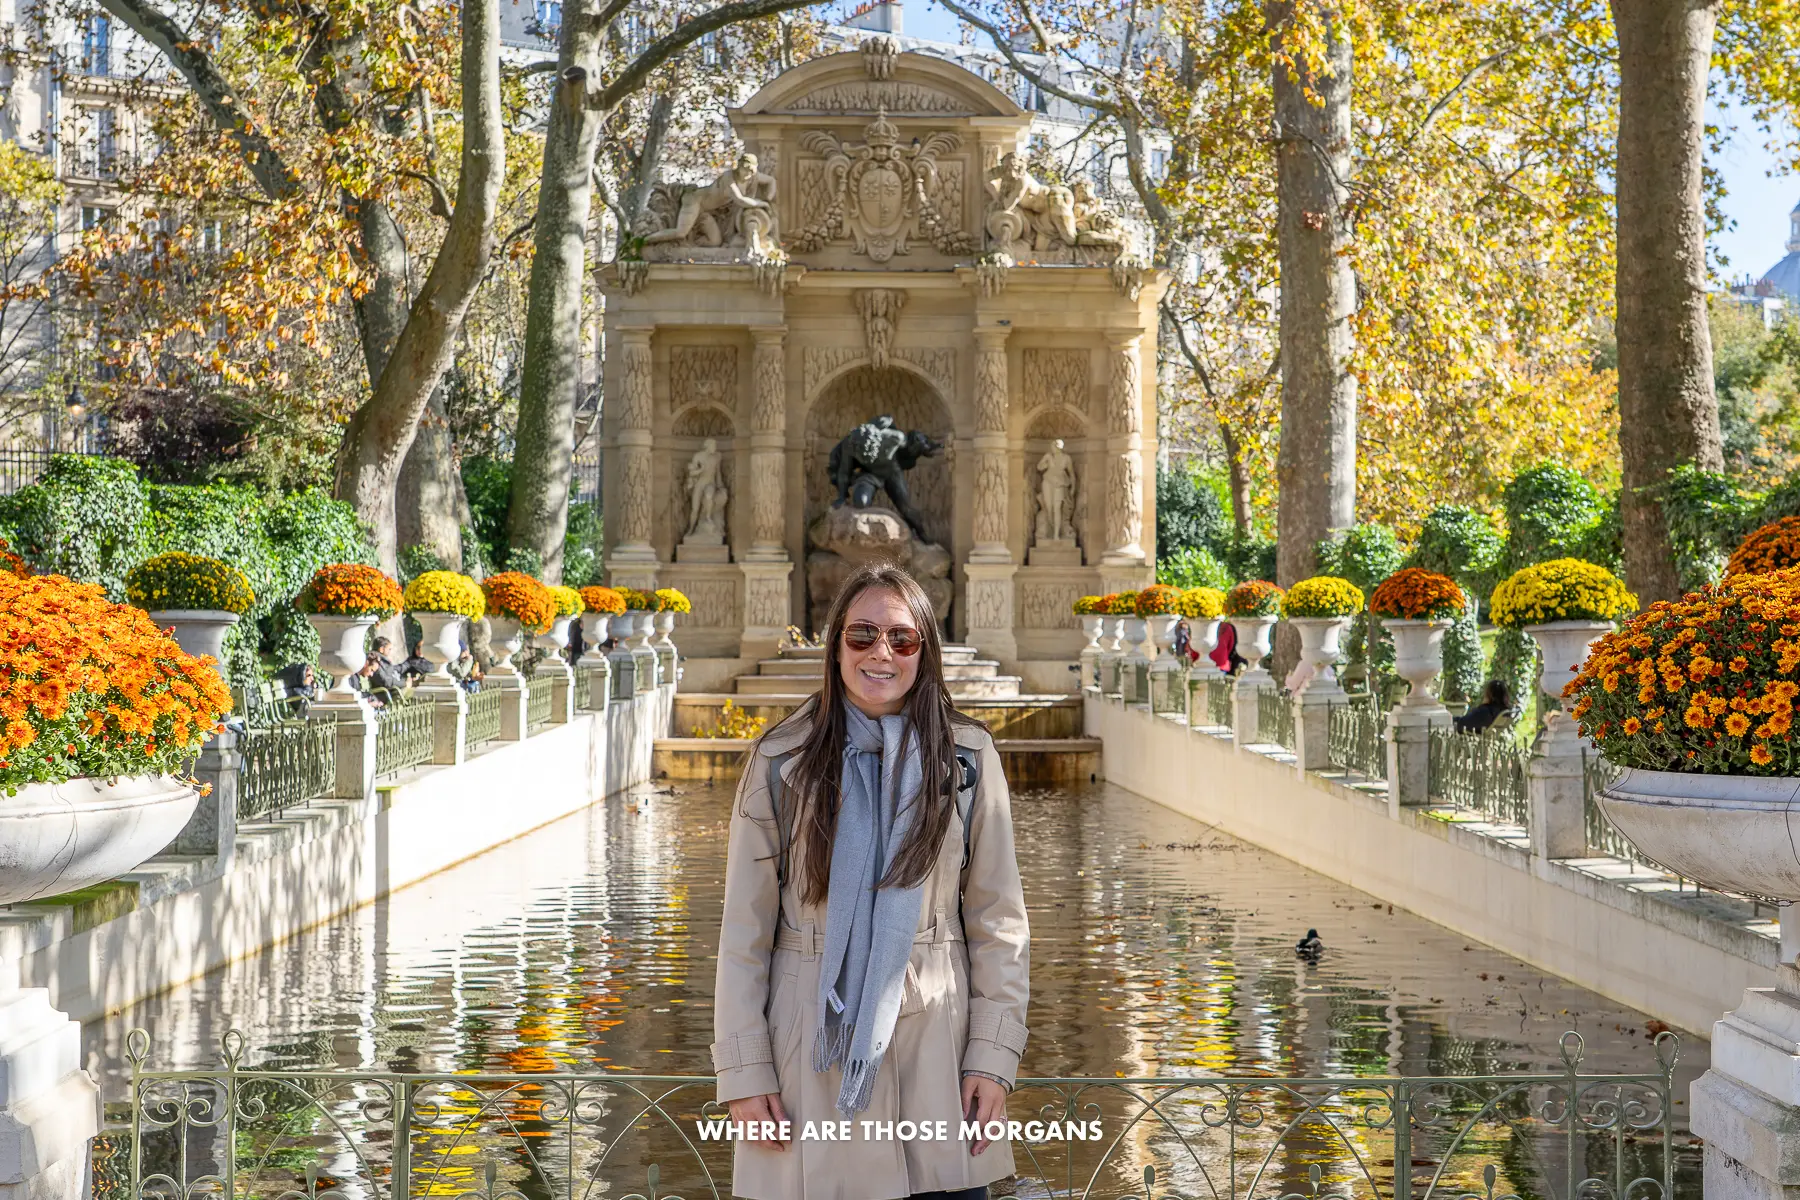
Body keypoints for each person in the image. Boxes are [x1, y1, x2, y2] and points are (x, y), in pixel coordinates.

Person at [714, 564, 1030, 1200]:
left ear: (924, 652)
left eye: (901, 639)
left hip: (937, 1049)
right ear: (835, 646)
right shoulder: (781, 761)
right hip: (808, 1048)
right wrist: (745, 1075)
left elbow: (998, 922)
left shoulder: (965, 759)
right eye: (861, 635)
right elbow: (744, 932)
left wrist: (992, 1059)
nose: (880, 653)